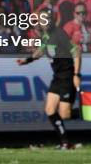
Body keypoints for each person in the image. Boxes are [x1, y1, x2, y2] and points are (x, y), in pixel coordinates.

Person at [17, 13, 82, 149]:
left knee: (65, 114)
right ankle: (65, 143)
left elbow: (76, 52)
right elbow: (41, 50)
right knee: (50, 110)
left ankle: (89, 110)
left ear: (51, 20)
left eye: (46, 19)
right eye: (41, 20)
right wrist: (28, 60)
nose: (44, 22)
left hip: (67, 77)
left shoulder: (59, 34)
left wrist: (76, 75)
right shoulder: (45, 36)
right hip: (57, 78)